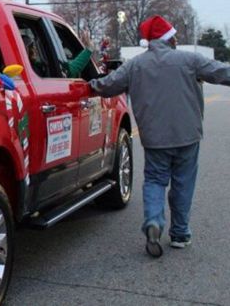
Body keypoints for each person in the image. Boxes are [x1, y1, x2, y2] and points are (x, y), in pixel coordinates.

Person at [89, 15, 230, 258]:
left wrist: (89, 84)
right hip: (188, 136)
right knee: (183, 184)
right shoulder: (190, 59)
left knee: (155, 180)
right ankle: (180, 234)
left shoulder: (135, 65)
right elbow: (221, 73)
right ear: (170, 38)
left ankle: (153, 222)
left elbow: (108, 85)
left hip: (155, 138)